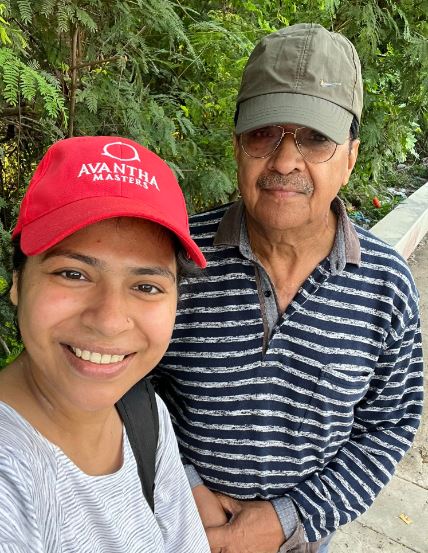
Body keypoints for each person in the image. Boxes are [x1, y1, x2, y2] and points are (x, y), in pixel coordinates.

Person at [153, 23, 424, 553]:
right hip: (173, 523)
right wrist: (184, 484)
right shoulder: (178, 258)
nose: (283, 160)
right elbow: (133, 384)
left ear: (350, 156)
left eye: (315, 138)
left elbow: (389, 423)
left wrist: (286, 519)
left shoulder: (386, 284)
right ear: (237, 145)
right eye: (263, 133)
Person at [0, 136, 211, 552]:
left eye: (146, 286)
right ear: (19, 283)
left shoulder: (143, 413)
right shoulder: (11, 477)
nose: (110, 320)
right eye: (73, 274)